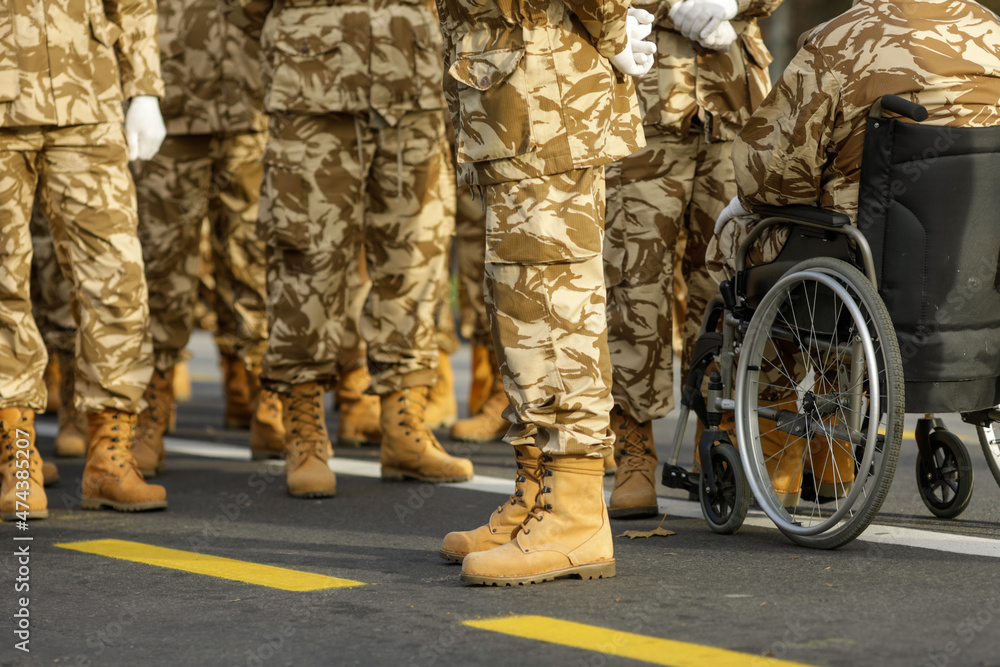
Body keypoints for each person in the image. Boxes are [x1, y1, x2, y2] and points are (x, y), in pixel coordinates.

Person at [706, 0, 1000, 501]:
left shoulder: (839, 41)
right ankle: (832, 454)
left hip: (862, 268)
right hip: (974, 272)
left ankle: (780, 443)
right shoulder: (990, 32)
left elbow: (769, 176)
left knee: (740, 240)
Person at [434, 0, 656, 584]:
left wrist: (611, 31)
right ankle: (538, 491)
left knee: (553, 307)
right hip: (512, 94)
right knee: (518, 305)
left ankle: (575, 514)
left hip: (547, 98)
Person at [229, 0, 473, 499]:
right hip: (312, 87)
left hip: (411, 77)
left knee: (415, 256)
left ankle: (404, 423)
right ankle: (303, 428)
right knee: (305, 260)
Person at [603, 0, 782, 518]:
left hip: (733, 104)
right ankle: (633, 449)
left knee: (726, 281)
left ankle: (718, 429)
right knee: (634, 282)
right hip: (645, 107)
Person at [0, 0, 168, 519]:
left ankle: (109, 455)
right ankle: (16, 457)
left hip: (87, 93)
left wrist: (143, 86)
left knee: (116, 278)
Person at [129, 0, 280, 477]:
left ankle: (265, 393)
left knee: (257, 258)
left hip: (251, 100)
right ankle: (151, 401)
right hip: (169, 107)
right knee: (161, 264)